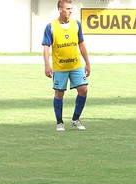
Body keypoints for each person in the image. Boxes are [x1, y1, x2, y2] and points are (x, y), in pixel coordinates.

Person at [42, 0, 91, 131]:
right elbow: (46, 46)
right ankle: (59, 122)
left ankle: (75, 119)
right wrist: (47, 65)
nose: (70, 11)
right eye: (67, 8)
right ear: (60, 9)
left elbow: (81, 44)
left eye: (71, 8)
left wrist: (87, 62)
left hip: (76, 66)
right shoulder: (51, 27)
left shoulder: (76, 25)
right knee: (59, 93)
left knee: (83, 90)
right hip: (60, 68)